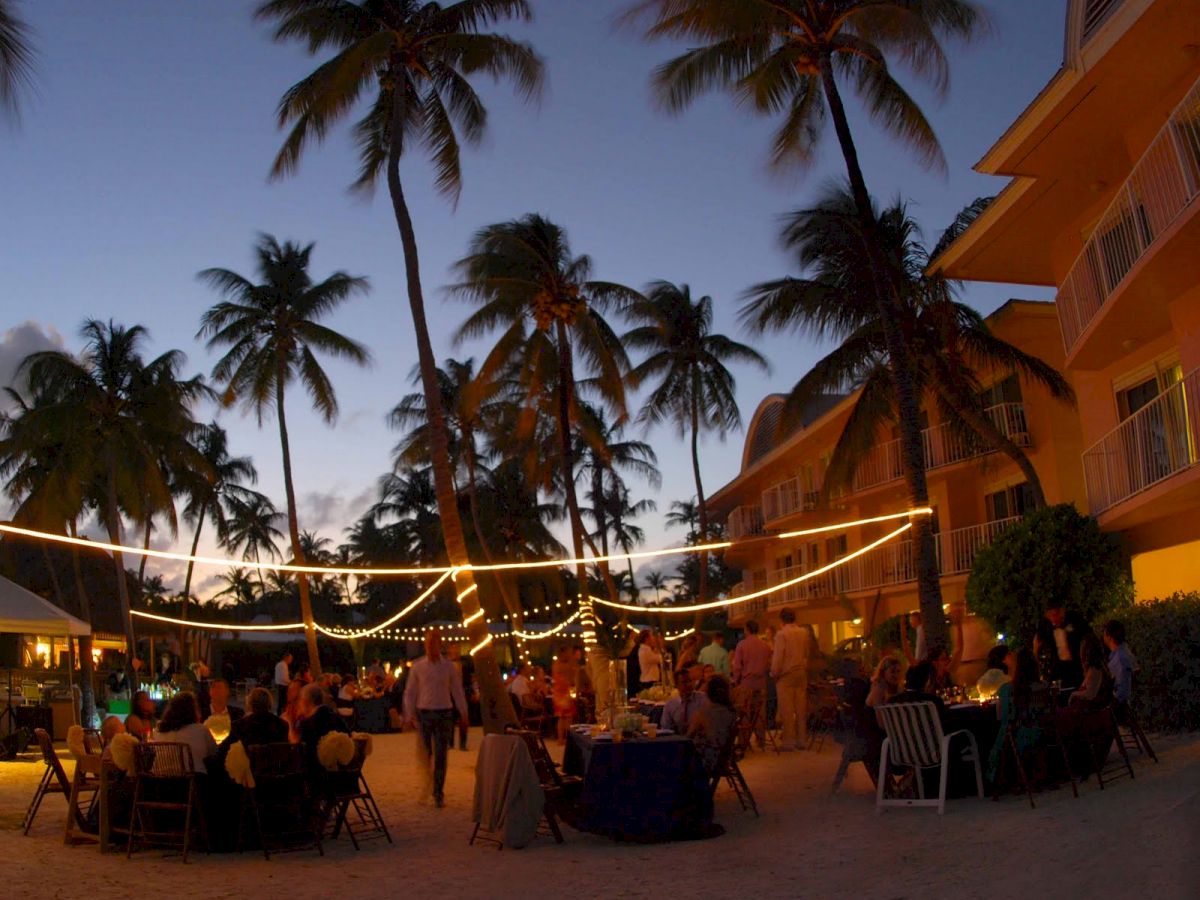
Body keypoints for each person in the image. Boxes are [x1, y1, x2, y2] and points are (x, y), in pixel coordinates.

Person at [403, 630, 468, 808]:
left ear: (440, 645)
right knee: (425, 755)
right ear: (425, 645)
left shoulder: (448, 667)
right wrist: (409, 715)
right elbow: (410, 692)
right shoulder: (418, 666)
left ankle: (438, 792)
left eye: (435, 643)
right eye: (428, 643)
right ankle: (426, 786)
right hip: (424, 713)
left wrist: (463, 712)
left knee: (441, 755)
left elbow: (457, 690)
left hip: (444, 713)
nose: (431, 646)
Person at [987, 648, 1046, 785]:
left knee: (1001, 735)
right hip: (1045, 731)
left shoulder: (1009, 689)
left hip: (1022, 735)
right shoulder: (1043, 686)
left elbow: (1003, 716)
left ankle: (1002, 779)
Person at [770, 608, 812, 750]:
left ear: (782, 619)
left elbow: (778, 656)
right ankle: (802, 739)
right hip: (801, 671)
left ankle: (789, 741)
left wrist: (774, 673)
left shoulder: (782, 635)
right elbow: (806, 653)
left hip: (786, 674)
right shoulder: (803, 632)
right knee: (801, 708)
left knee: (786, 709)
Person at [216, 687, 289, 768]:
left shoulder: (240, 725)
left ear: (250, 704)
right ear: (269, 703)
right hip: (275, 771)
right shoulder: (282, 725)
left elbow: (223, 749)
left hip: (248, 772)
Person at [731, 621, 772, 749]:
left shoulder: (742, 645)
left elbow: (737, 666)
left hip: (747, 683)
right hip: (760, 682)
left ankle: (744, 741)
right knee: (760, 713)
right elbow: (768, 664)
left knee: (745, 713)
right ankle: (761, 740)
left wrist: (735, 680)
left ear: (747, 629)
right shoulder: (765, 645)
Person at [295, 683, 350, 777]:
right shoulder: (336, 717)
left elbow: (303, 751)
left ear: (306, 702)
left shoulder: (309, 723)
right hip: (343, 772)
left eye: (300, 700)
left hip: (317, 773)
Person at [153, 691, 218, 769]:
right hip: (192, 778)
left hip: (159, 778)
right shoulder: (200, 730)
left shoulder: (158, 731)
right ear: (192, 710)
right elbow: (214, 753)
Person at [688, 675, 736, 774]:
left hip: (707, 760)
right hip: (724, 759)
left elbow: (688, 737)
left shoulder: (703, 714)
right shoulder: (731, 712)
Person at [1035, 601, 1090, 687]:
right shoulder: (1046, 626)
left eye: (1055, 614)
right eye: (1050, 616)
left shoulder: (1073, 618)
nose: (1053, 618)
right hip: (1060, 667)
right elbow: (1037, 642)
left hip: (1077, 664)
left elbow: (1087, 636)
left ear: (1061, 611)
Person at [660, 664, 707, 735]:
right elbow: (666, 729)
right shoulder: (670, 705)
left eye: (690, 681)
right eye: (684, 682)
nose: (689, 684)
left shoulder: (703, 699)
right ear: (676, 685)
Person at [1069, 635, 1113, 709]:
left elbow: (1090, 694)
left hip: (1093, 715)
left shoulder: (1095, 670)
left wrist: (1074, 694)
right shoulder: (1096, 668)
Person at [1103, 619, 1138, 706]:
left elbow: (1123, 689)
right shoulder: (1122, 653)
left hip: (1122, 708)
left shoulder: (1120, 658)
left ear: (1109, 637)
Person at [551, 646, 578, 744]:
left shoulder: (556, 665)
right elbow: (571, 677)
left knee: (562, 718)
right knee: (567, 718)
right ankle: (565, 738)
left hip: (559, 694)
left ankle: (562, 738)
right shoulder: (562, 665)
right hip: (563, 694)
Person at [281, 678, 304, 743]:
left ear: (302, 692)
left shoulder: (303, 715)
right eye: (288, 689)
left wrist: (289, 723)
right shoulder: (289, 709)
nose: (288, 692)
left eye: (292, 689)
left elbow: (296, 742)